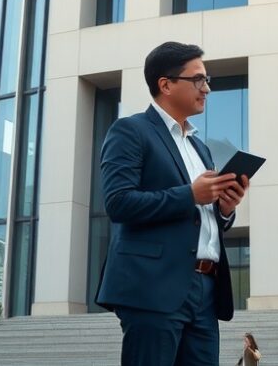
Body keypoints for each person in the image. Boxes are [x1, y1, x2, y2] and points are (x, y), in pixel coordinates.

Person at [96, 42, 249, 366]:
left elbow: (202, 216)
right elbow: (118, 202)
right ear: (165, 84)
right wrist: (190, 195)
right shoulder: (130, 130)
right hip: (153, 286)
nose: (206, 89)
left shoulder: (200, 148)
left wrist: (225, 209)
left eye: (207, 80)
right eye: (198, 80)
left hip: (206, 289)